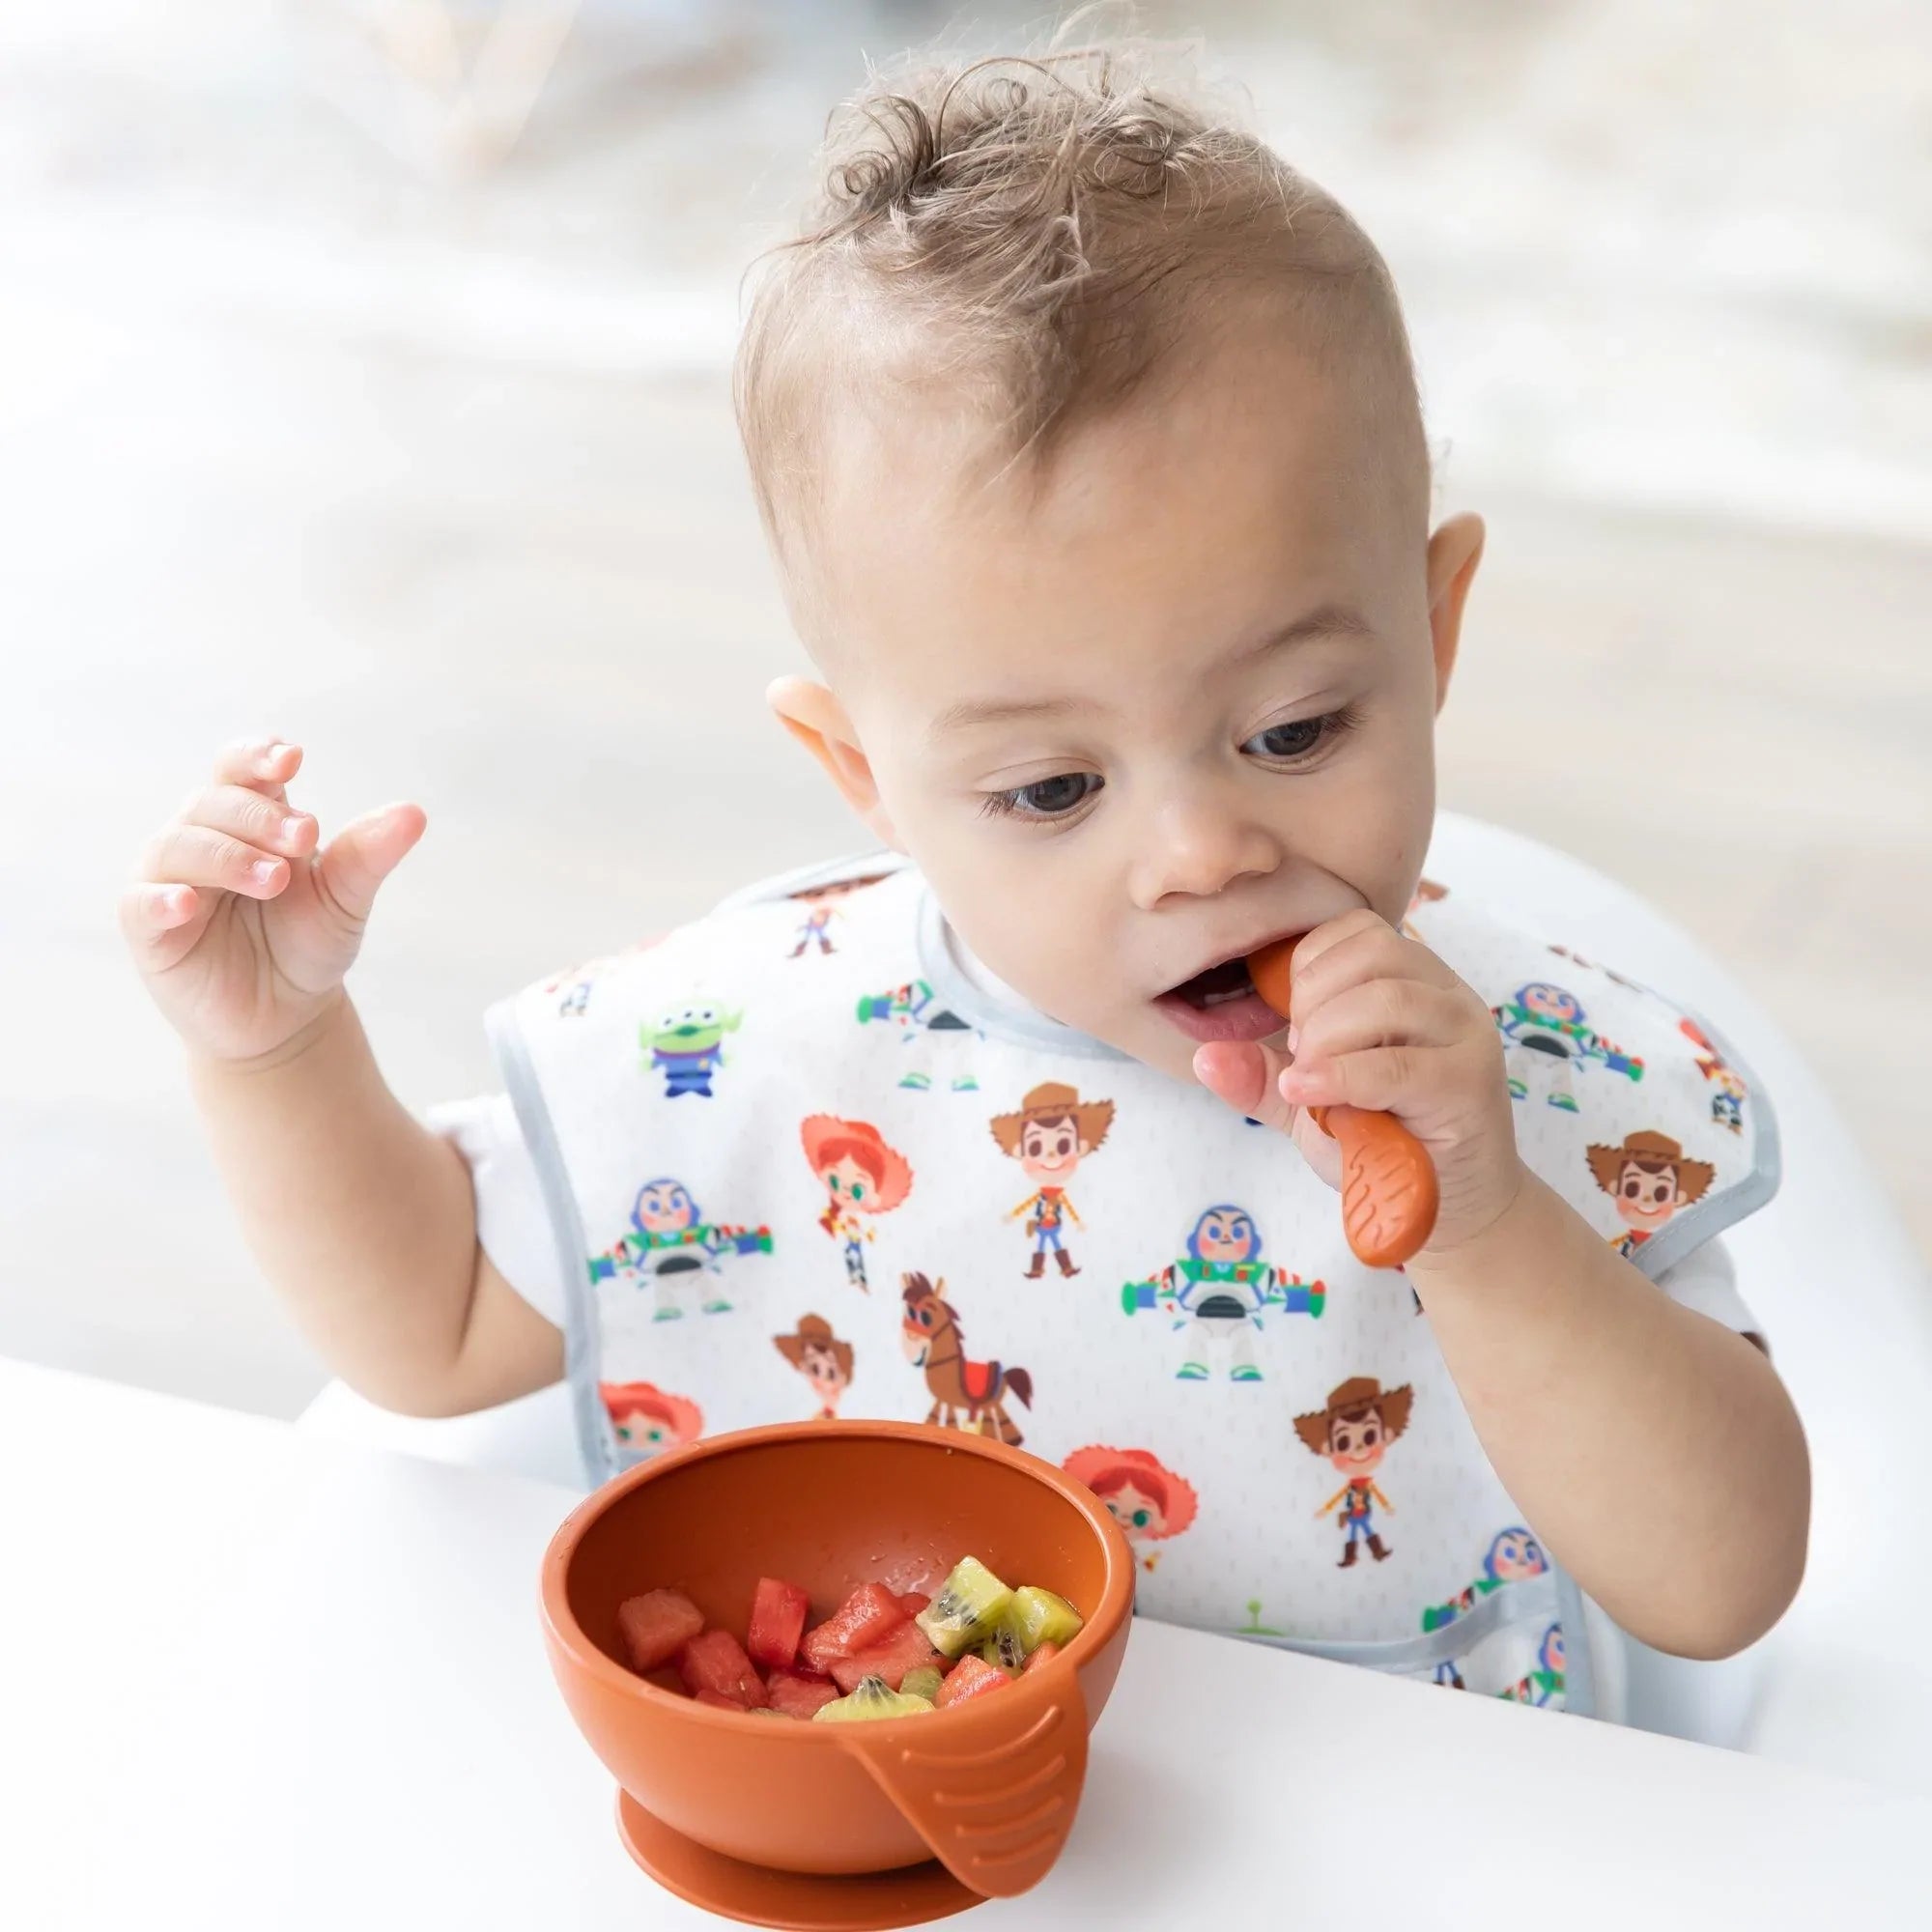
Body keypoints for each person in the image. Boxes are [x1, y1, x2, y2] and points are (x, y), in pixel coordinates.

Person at [120, 26, 1806, 1712]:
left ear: (1432, 634)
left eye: (1293, 729)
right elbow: (429, 1331)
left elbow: (1721, 1587)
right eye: (1054, 785)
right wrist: (271, 1052)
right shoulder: (763, 1051)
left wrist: (1489, 1223)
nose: (1205, 851)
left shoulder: (1512, 1086)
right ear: (865, 778)